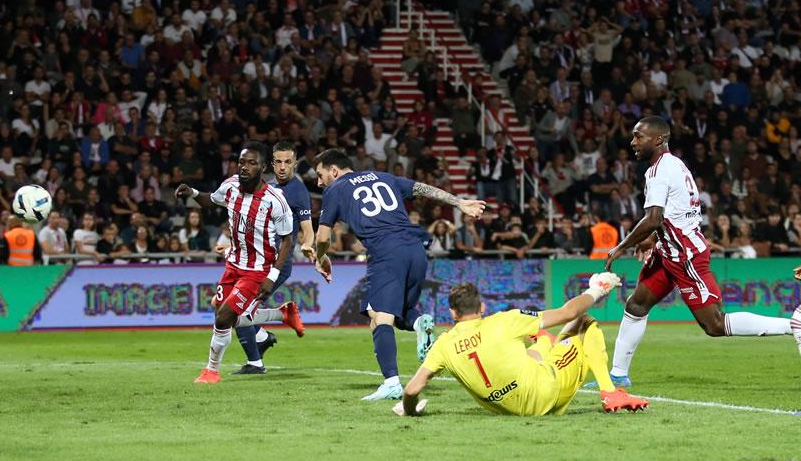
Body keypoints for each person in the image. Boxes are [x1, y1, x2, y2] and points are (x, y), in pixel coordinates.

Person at [600, 116, 801, 387]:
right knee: (636, 305)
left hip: (685, 255)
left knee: (715, 325)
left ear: (658, 139)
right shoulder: (675, 164)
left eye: (639, 136)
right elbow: (675, 212)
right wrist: (653, 239)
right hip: (668, 250)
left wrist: (621, 247)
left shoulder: (659, 171)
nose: (632, 142)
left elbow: (654, 218)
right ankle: (617, 376)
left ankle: (793, 326)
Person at [309, 148, 487, 401]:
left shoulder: (335, 190)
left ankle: (392, 383)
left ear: (334, 170)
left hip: (385, 254)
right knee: (388, 311)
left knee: (380, 316)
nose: (319, 181)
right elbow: (424, 189)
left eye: (320, 174)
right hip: (415, 250)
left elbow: (323, 237)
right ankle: (418, 323)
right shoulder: (384, 177)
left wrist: (322, 257)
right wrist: (460, 203)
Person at [395, 278, 648, 418]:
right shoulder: (505, 320)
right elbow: (568, 312)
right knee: (582, 322)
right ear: (481, 308)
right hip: (546, 394)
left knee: (538, 346)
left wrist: (410, 410)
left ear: (452, 312)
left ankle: (544, 341)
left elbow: (413, 388)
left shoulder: (443, 344)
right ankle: (609, 391)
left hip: (512, 409)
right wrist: (596, 290)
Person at [176, 142, 294, 383]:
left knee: (223, 317)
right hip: (233, 265)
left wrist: (271, 277)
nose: (244, 167)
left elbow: (287, 241)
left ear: (263, 167)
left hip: (257, 271)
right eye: (241, 162)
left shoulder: (275, 200)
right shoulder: (230, 187)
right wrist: (194, 193)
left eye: (251, 163)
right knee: (220, 312)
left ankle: (211, 371)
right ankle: (279, 317)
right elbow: (212, 200)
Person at [228, 141, 311, 373]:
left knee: (238, 310)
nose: (283, 167)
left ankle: (256, 361)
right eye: (278, 162)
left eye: (287, 162)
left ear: (295, 163)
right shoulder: (269, 187)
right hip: (255, 262)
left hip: (277, 264)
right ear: (271, 164)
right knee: (233, 308)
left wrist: (310, 246)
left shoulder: (298, 190)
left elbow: (308, 228)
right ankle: (266, 332)